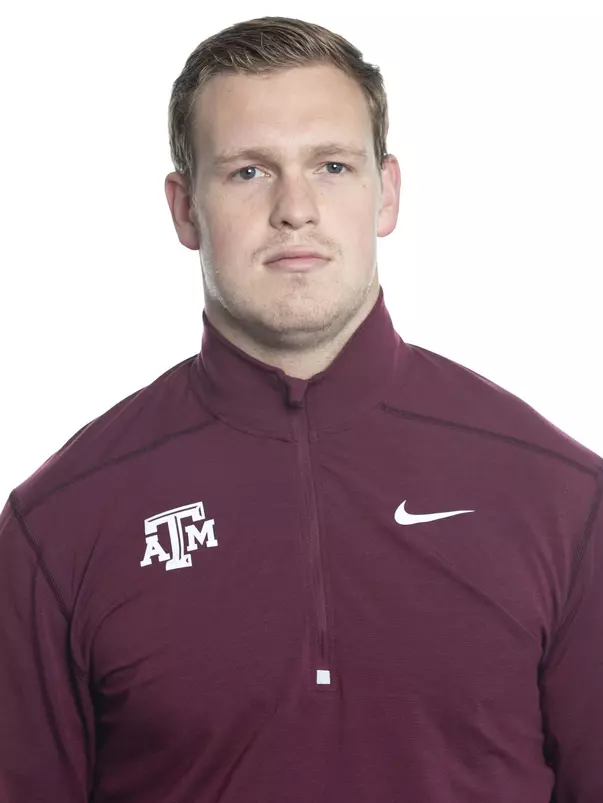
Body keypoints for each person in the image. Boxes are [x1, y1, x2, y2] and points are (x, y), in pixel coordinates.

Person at [0, 15, 601, 803]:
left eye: (331, 166)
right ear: (184, 209)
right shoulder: (59, 522)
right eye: (248, 172)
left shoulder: (560, 495)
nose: (294, 208)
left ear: (386, 192)